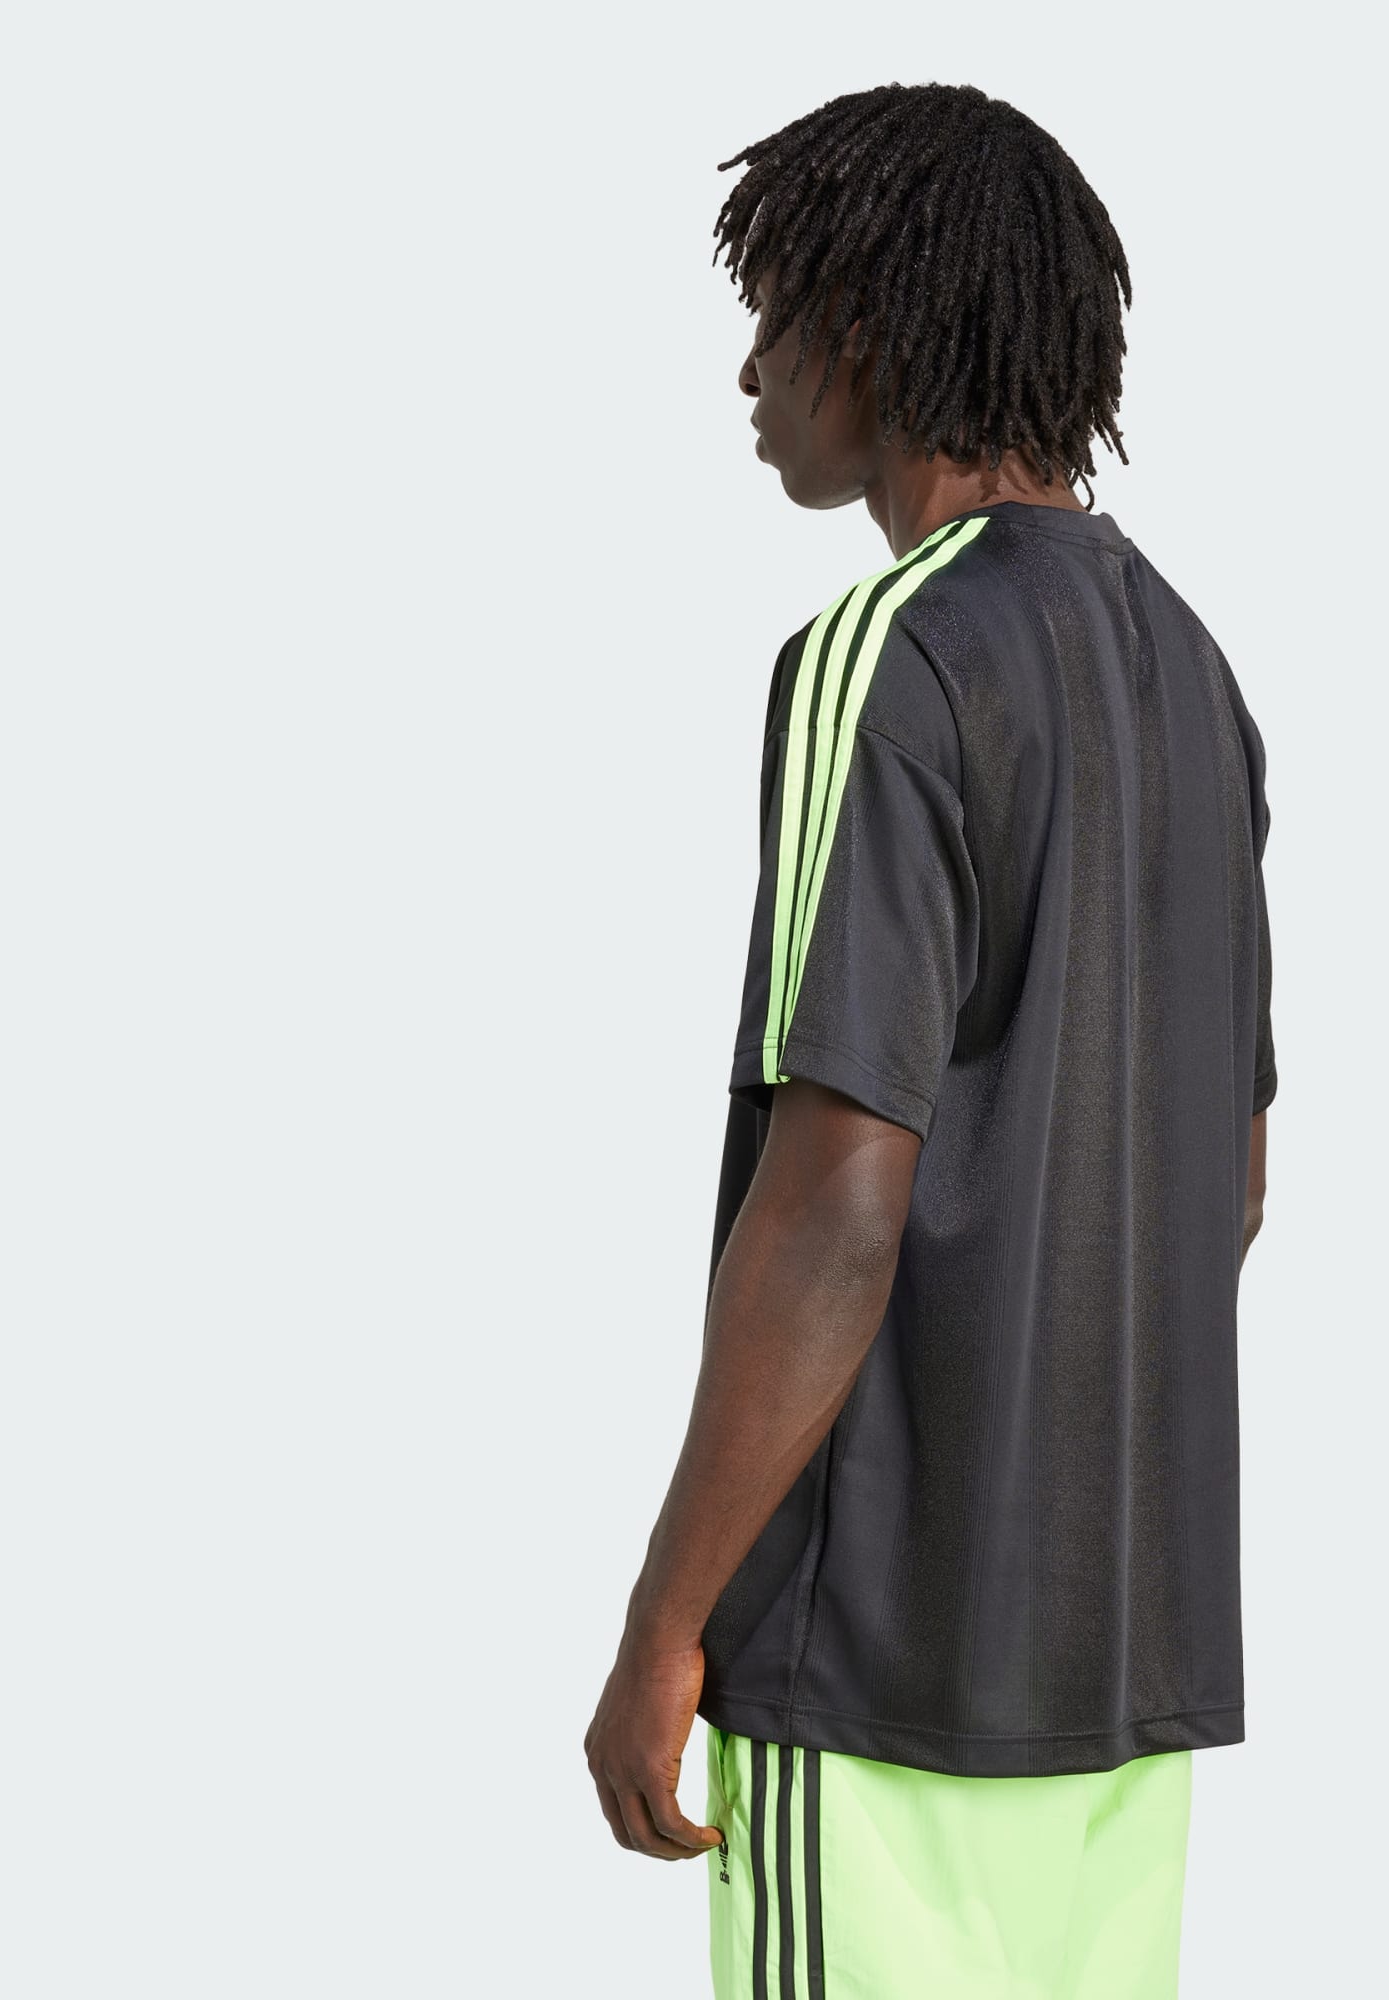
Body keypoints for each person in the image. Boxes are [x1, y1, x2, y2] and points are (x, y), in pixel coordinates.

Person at [584, 80, 1276, 1999]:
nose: (750, 371)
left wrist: (665, 1623)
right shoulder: (1196, 675)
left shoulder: (884, 655)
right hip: (1123, 1676)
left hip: (875, 1668)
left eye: (774, 316)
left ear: (871, 329)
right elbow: (1228, 1177)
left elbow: (836, 1197)